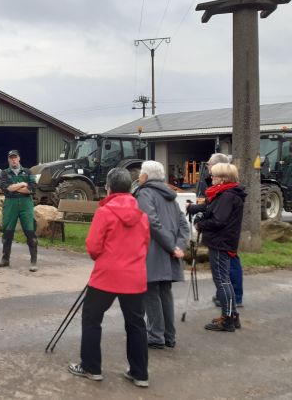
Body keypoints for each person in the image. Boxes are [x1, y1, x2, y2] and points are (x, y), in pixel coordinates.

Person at [68, 168, 150, 388]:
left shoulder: (104, 212)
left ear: (109, 187)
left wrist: (104, 258)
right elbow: (145, 244)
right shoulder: (142, 215)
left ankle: (91, 367)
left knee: (92, 319)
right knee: (136, 324)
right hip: (134, 276)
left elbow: (93, 246)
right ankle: (140, 373)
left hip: (107, 275)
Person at [133, 161, 189, 350]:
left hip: (154, 250)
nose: (139, 177)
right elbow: (183, 224)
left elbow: (151, 222)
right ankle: (169, 336)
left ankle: (155, 335)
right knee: (165, 293)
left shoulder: (145, 193)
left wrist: (172, 246)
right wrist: (179, 246)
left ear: (146, 176)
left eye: (140, 174)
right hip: (170, 252)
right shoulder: (170, 196)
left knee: (151, 293)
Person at [189, 153, 245, 308]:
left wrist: (202, 224)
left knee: (223, 278)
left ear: (222, 175)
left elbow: (219, 219)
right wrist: (196, 211)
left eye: (211, 170)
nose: (209, 174)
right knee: (223, 278)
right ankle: (229, 307)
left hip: (222, 240)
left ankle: (231, 310)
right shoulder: (221, 191)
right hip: (222, 239)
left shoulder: (227, 194)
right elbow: (211, 207)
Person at [0, 149, 38, 271]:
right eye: (11, 158)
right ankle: (5, 259)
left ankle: (33, 262)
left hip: (26, 205)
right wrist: (22, 184)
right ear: (8, 159)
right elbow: (5, 188)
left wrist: (14, 187)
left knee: (30, 232)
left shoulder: (28, 172)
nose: (13, 160)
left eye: (15, 157)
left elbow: (32, 189)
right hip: (10, 204)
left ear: (19, 158)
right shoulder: (4, 173)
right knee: (7, 233)